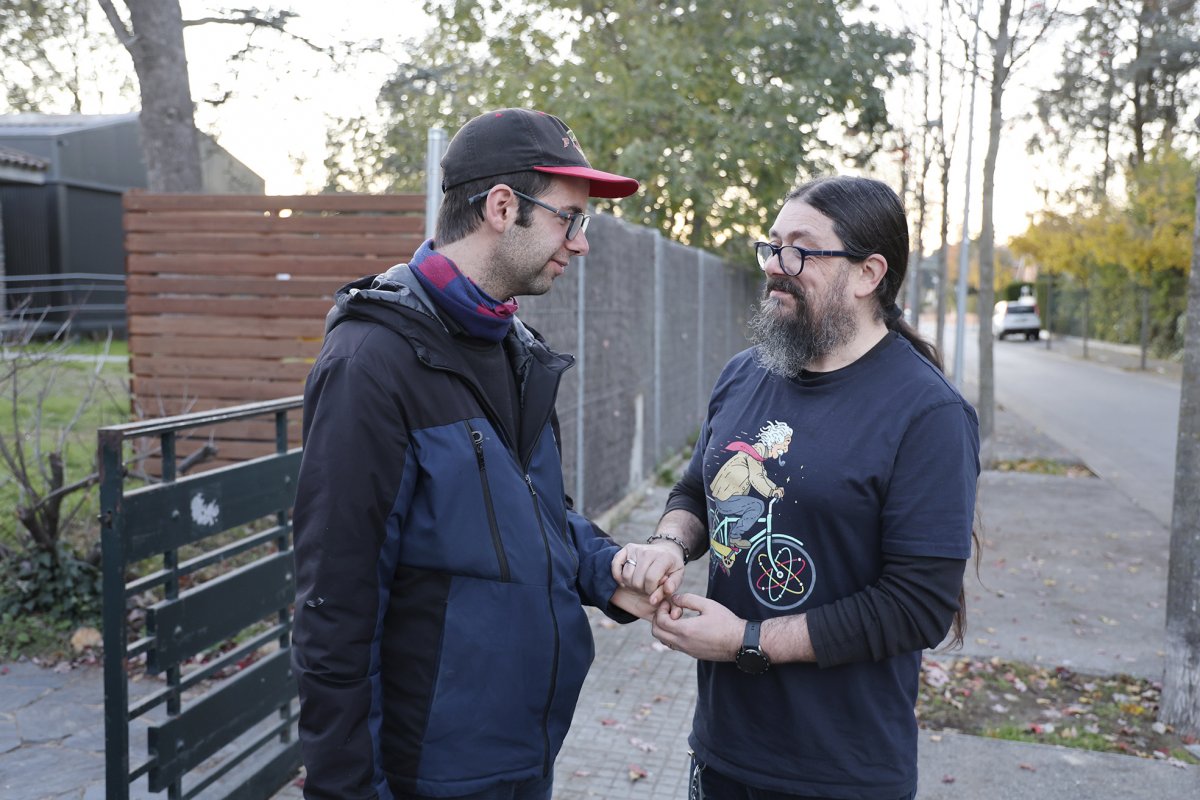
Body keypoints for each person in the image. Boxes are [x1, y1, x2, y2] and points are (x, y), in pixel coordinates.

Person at [290, 108, 646, 800]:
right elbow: (336, 606)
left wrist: (607, 570)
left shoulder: (515, 349)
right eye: (570, 219)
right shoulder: (373, 362)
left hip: (521, 761)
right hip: (429, 773)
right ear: (502, 207)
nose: (580, 244)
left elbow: (532, 516)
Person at [614, 176, 981, 799]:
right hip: (723, 751)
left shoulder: (927, 413)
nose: (777, 268)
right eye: (772, 246)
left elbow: (917, 606)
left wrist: (745, 642)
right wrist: (668, 545)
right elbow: (698, 492)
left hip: (839, 772)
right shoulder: (745, 373)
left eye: (801, 251)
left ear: (868, 274)